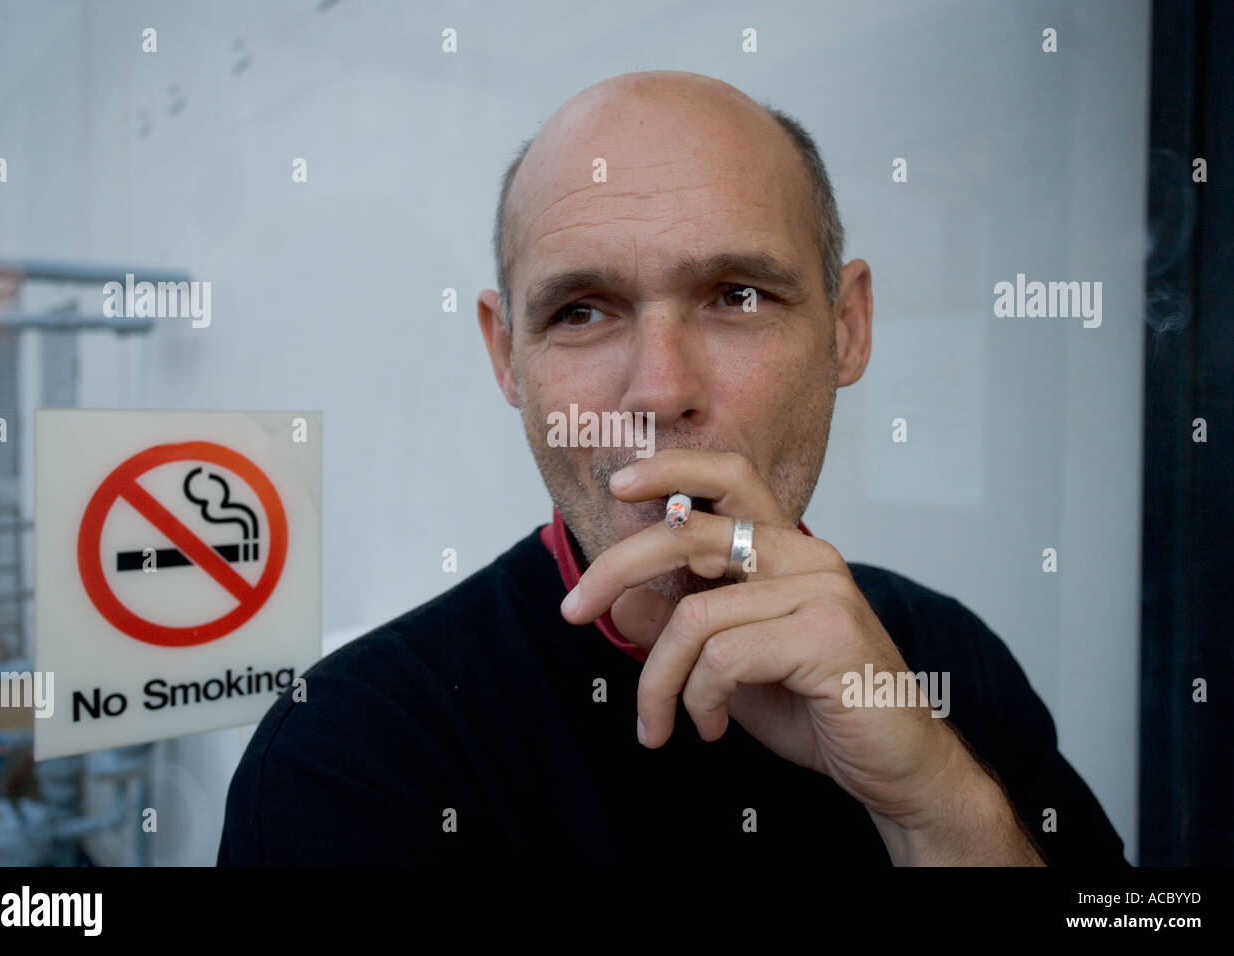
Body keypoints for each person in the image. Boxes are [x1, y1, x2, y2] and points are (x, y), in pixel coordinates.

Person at [218, 70, 1128, 866]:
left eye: (738, 296)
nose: (661, 391)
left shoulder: (945, 660)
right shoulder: (354, 749)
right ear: (506, 358)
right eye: (581, 311)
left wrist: (938, 806)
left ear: (847, 327)